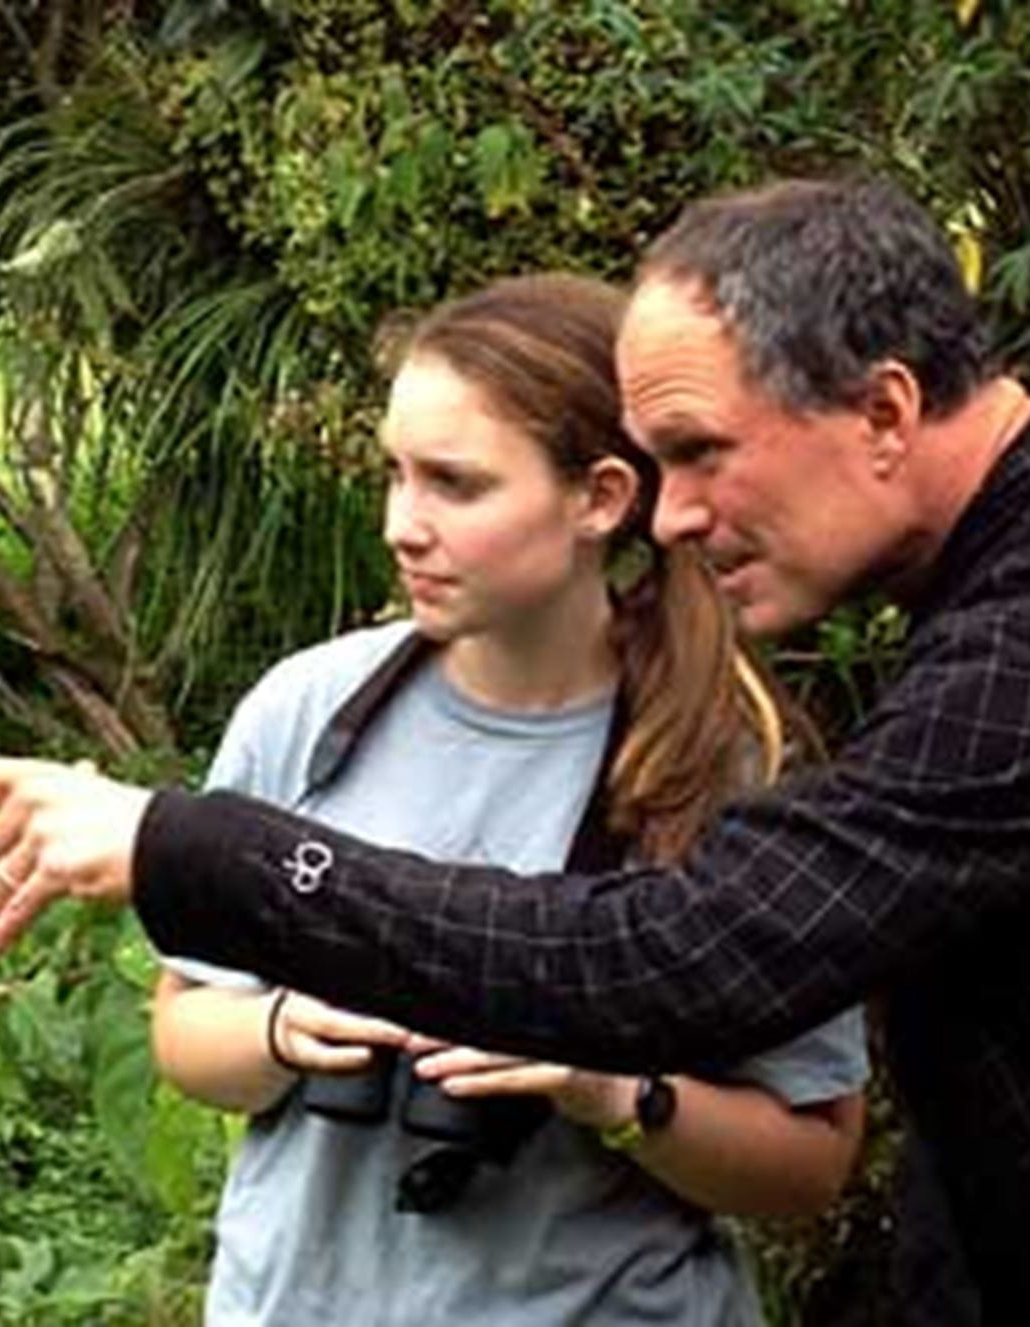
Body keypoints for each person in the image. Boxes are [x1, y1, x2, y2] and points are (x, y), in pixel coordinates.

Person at [0, 175, 1030, 1322]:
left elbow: (677, 958)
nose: (677, 516)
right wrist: (277, 1015)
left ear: (883, 408)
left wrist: (191, 844)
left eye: (703, 453)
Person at [133, 274, 868, 1325]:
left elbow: (805, 1164)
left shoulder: (725, 763)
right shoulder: (307, 708)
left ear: (601, 498)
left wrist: (607, 1089)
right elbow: (183, 1033)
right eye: (393, 473)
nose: (400, 524)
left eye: (453, 484)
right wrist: (288, 1029)